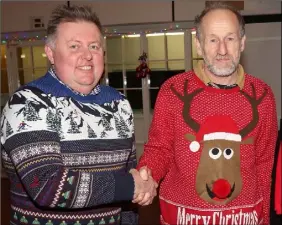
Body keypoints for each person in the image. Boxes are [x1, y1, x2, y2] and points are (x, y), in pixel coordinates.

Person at [0, 4, 157, 225]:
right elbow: (47, 186)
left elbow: (127, 176)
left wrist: (132, 202)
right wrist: (132, 186)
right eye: (74, 46)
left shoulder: (119, 104)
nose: (87, 56)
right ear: (51, 53)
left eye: (94, 47)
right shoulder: (28, 103)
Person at [137, 2, 278, 225]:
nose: (222, 50)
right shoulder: (172, 90)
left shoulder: (262, 95)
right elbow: (159, 149)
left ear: (242, 43)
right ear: (199, 45)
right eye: (213, 40)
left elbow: (264, 163)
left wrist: (265, 218)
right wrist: (146, 175)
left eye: (230, 39)